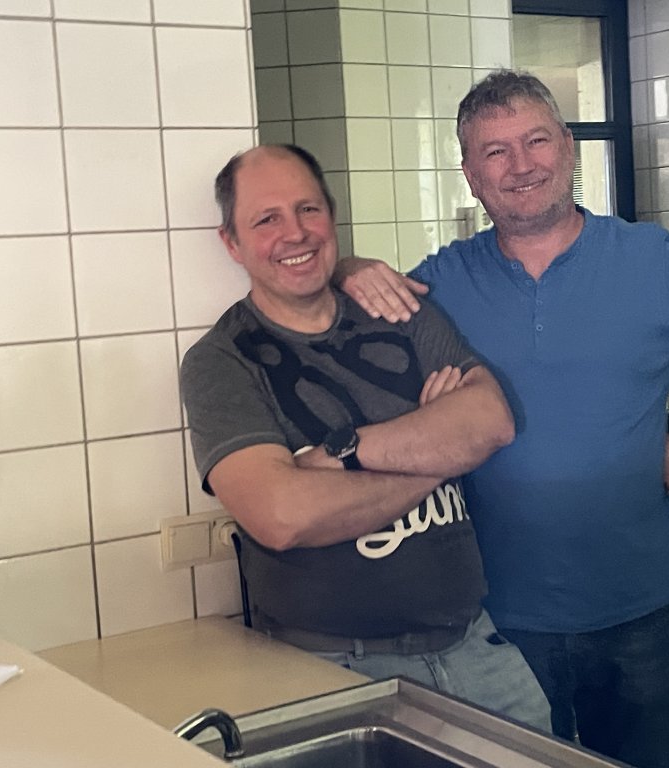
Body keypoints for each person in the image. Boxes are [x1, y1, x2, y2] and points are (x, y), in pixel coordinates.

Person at [336, 70, 669, 768]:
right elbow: (335, 336)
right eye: (495, 151)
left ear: (568, 147)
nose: (521, 165)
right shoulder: (443, 280)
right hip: (497, 617)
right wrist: (348, 267)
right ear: (470, 175)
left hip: (639, 608)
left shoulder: (649, 259)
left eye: (536, 141)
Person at [179, 143, 550, 732]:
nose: (295, 232)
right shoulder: (221, 362)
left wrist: (343, 454)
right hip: (330, 668)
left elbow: (490, 422)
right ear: (232, 242)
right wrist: (443, 455)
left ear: (332, 215)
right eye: (266, 219)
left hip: (476, 651)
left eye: (308, 209)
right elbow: (281, 516)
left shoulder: (398, 310)